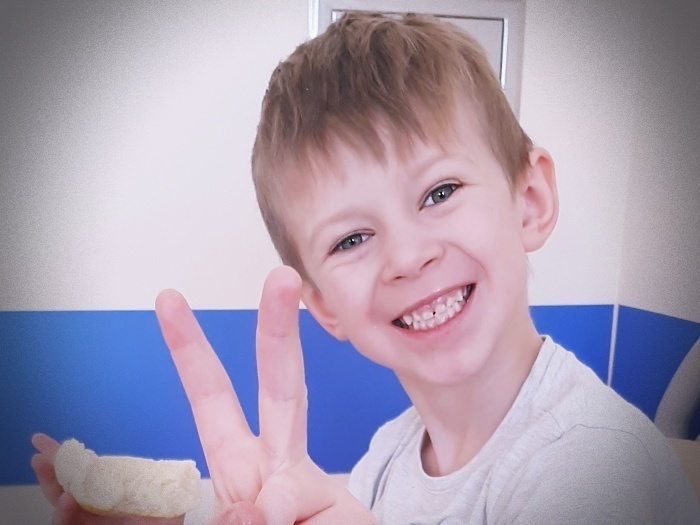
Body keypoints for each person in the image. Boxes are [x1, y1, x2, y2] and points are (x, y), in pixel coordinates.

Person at [31, 12, 699, 524]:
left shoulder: (595, 462)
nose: (407, 256)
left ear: (530, 201)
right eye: (351, 239)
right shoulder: (389, 457)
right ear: (323, 304)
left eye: (440, 192)